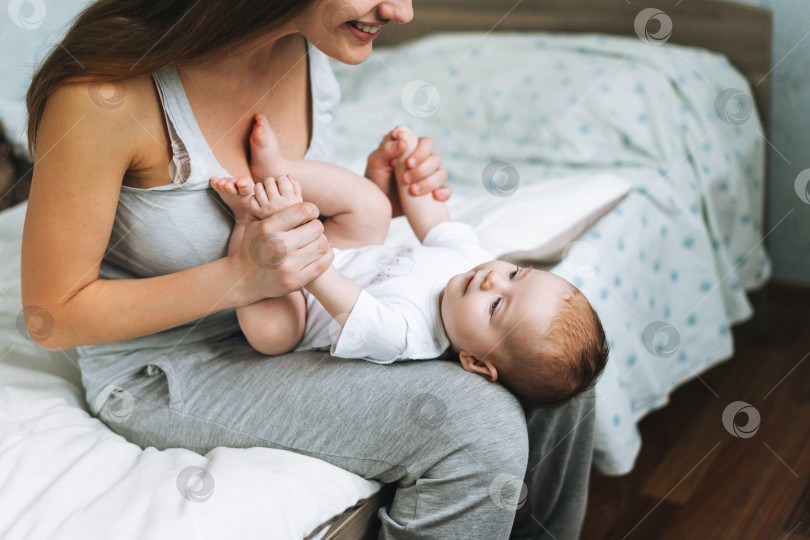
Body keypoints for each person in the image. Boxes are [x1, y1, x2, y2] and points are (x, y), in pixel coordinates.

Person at [21, 0, 598, 537]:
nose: (402, 10)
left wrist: (371, 199)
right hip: (174, 362)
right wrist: (238, 279)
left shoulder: (303, 40)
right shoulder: (104, 96)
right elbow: (53, 318)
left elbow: (295, 214)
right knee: (479, 425)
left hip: (298, 313)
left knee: (562, 377)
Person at [213, 119, 609, 405]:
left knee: (273, 333)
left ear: (475, 362)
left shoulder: (405, 335)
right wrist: (411, 171)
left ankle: (248, 219)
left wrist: (295, 235)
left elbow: (324, 279)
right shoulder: (473, 261)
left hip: (300, 296)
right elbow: (434, 219)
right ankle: (278, 172)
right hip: (340, 249)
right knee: (373, 206)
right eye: (515, 273)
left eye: (497, 306)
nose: (493, 280)